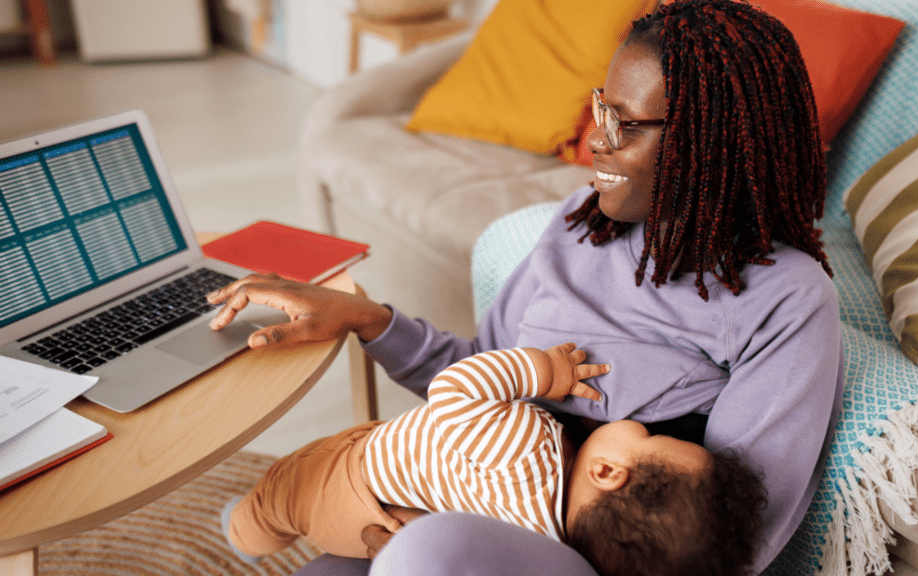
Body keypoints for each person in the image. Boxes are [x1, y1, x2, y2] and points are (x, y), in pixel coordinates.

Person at [207, 0, 844, 573]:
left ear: (716, 143)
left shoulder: (784, 299)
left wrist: (460, 537)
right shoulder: (579, 224)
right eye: (602, 109)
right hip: (461, 502)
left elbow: (731, 537)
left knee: (423, 554)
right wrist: (365, 317)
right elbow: (480, 378)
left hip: (581, 558)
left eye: (627, 123)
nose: (597, 138)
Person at [223, 344, 766, 576]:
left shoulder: (527, 448)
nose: (641, 423)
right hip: (378, 526)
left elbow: (453, 391)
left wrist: (540, 371)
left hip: (346, 475)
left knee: (275, 497)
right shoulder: (546, 542)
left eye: (647, 434)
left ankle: (243, 535)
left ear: (606, 471)